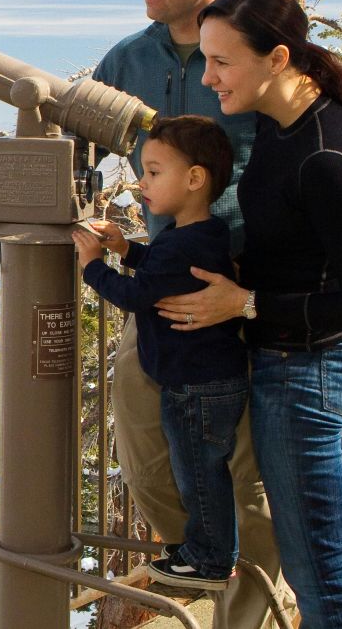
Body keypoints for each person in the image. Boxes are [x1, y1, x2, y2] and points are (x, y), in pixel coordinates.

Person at [0, 0, 294, 629]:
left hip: (252, 290)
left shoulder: (257, 55)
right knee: (143, 429)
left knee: (251, 479)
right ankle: (201, 554)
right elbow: (78, 178)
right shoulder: (130, 61)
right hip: (164, 291)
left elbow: (315, 170)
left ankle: (244, 617)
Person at [157, 0, 342, 628]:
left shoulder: (323, 155)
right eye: (204, 60)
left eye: (222, 62)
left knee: (318, 557)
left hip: (307, 371)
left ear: (279, 58)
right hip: (291, 358)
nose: (207, 78)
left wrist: (248, 303)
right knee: (311, 548)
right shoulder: (285, 121)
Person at [73, 115, 247, 592]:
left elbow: (136, 296)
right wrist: (127, 250)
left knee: (199, 474)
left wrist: (92, 266)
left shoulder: (180, 240)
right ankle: (203, 549)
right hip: (205, 379)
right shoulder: (199, 233)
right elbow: (163, 271)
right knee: (199, 469)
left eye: (153, 172)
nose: (141, 183)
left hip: (195, 387)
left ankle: (210, 559)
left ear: (194, 179)